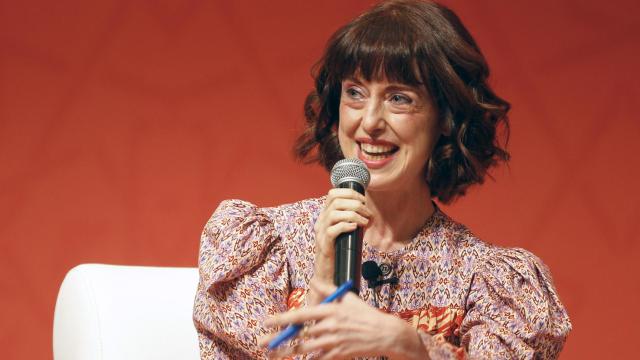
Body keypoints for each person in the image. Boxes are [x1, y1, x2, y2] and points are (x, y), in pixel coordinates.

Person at [192, 0, 572, 359]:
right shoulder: (263, 249)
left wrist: (413, 346)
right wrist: (319, 284)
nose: (370, 122)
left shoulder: (486, 278)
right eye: (354, 93)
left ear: (445, 118)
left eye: (399, 98)